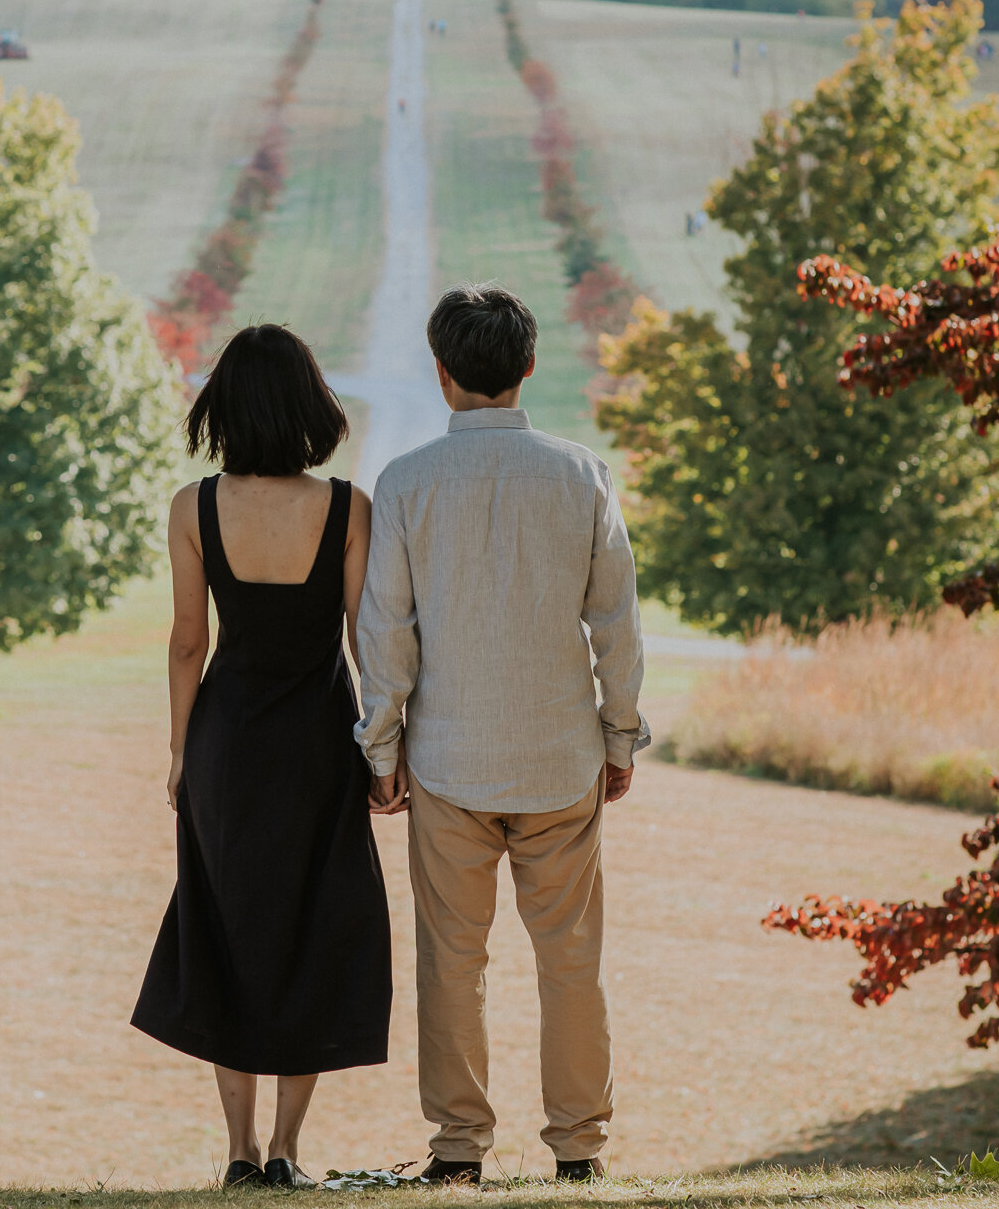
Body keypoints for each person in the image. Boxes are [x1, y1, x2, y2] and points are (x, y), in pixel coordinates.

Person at [356, 284, 647, 1183]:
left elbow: (387, 633)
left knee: (452, 962)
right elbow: (617, 625)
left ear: (442, 376)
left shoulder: (404, 483)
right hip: (562, 758)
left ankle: (457, 1151)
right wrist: (620, 736)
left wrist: (380, 748)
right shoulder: (583, 474)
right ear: (529, 365)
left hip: (447, 761)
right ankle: (579, 1152)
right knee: (571, 962)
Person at [133, 324, 393, 1190]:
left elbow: (185, 644)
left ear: (226, 410)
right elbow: (368, 644)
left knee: (228, 927)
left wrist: (179, 754)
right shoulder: (349, 509)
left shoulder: (193, 508)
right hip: (321, 745)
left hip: (227, 749)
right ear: (310, 405)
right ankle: (287, 1150)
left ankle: (238, 1151)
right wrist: (383, 754)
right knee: (313, 928)